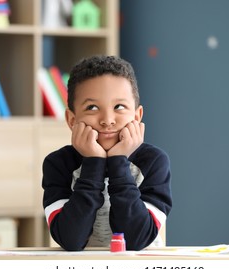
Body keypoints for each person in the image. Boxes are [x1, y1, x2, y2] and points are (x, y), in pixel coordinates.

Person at [42, 55, 172, 251]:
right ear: (71, 120)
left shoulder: (154, 162)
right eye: (92, 107)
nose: (108, 120)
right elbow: (70, 240)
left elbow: (136, 241)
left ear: (137, 116)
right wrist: (94, 162)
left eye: (119, 107)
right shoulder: (58, 164)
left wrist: (118, 162)